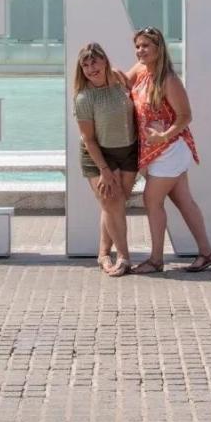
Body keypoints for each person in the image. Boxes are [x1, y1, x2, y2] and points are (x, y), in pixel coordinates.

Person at [128, 27, 211, 274]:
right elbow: (121, 84)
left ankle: (156, 260)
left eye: (146, 46)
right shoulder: (140, 70)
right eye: (138, 46)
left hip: (170, 149)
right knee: (184, 201)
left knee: (151, 199)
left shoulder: (168, 79)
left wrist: (163, 136)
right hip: (157, 151)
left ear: (159, 48)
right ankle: (207, 252)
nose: (140, 50)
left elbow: (186, 116)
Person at [72, 42, 138, 277]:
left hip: (129, 151)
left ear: (104, 61)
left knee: (113, 205)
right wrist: (105, 170)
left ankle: (102, 253)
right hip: (98, 155)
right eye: (85, 65)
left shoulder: (121, 78)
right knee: (113, 203)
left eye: (94, 62)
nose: (91, 68)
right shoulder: (84, 98)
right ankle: (124, 257)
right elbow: (88, 139)